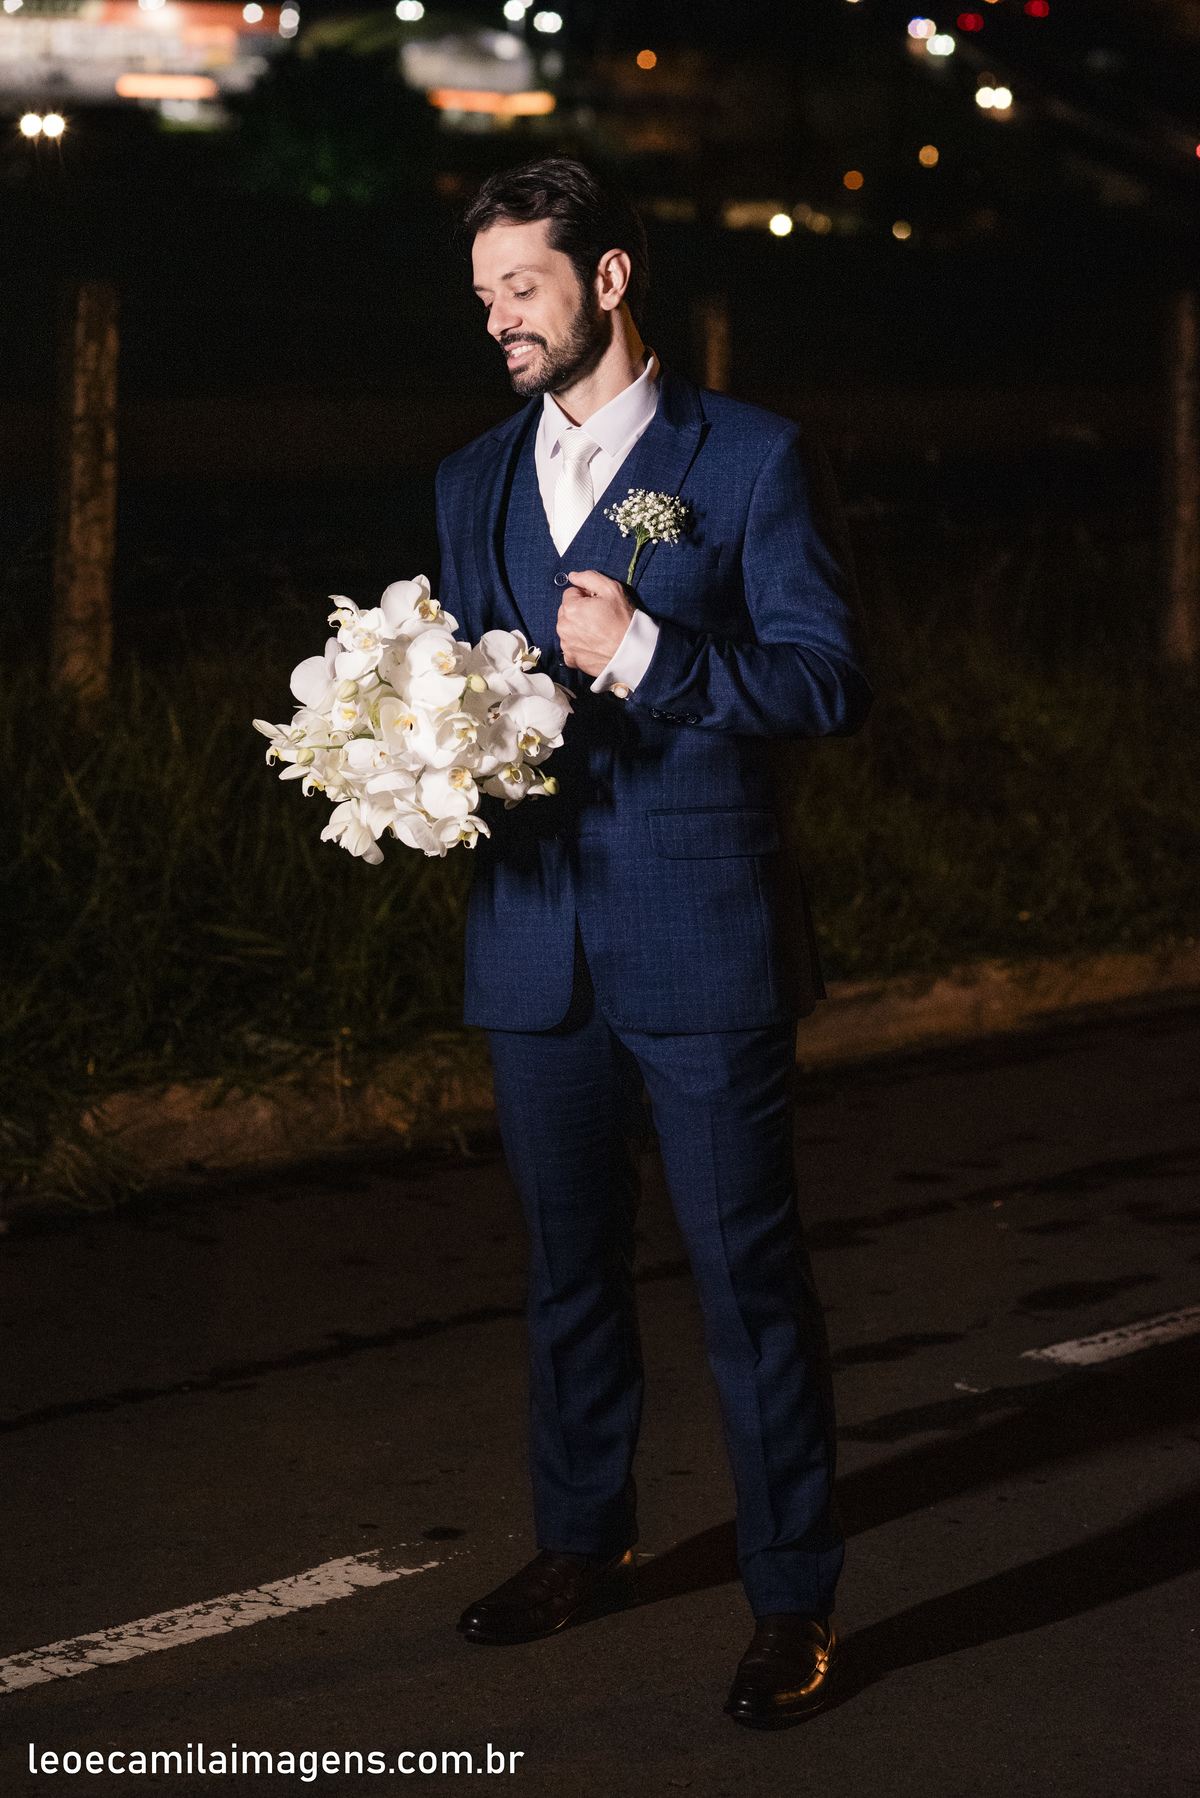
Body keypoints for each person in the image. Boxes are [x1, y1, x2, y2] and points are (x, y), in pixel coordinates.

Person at [434, 157, 871, 1730]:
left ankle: (792, 1594)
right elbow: (466, 688)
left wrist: (653, 654)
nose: (499, 317)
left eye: (524, 286)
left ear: (608, 278)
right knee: (567, 1269)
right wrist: (410, 753)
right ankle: (583, 1538)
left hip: (701, 932)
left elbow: (826, 680)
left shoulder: (747, 457)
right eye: (484, 294)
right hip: (532, 938)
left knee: (747, 1278)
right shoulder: (469, 478)